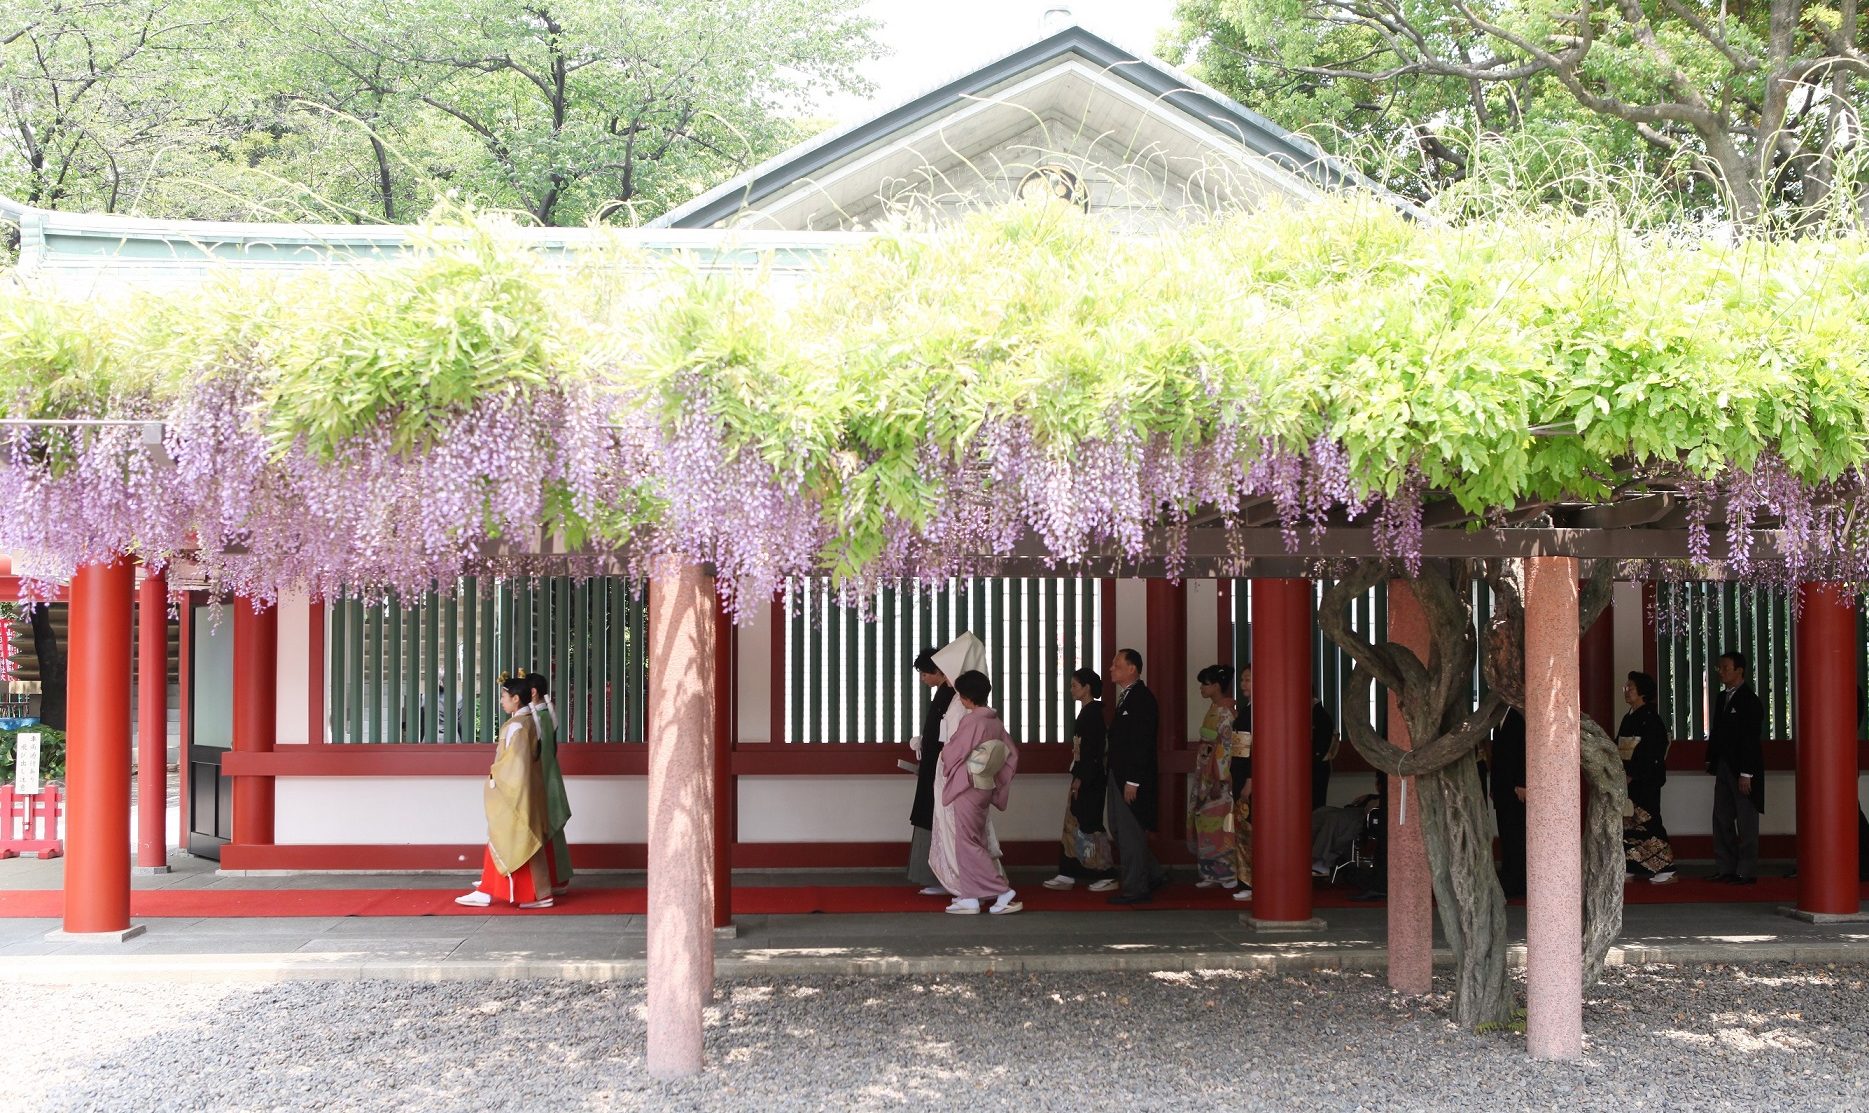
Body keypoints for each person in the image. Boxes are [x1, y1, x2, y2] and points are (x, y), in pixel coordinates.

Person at [456, 674, 553, 909]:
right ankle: (524, 892)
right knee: (518, 841)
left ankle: (493, 891)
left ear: (516, 699)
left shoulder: (517, 726)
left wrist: (494, 779)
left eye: (504, 696)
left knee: (506, 839)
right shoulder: (534, 720)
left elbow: (514, 766)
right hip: (529, 789)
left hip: (514, 792)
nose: (502, 701)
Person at [931, 670, 1022, 915]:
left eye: (960, 694)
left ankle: (1003, 892)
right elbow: (1011, 754)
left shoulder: (973, 721)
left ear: (967, 697)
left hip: (968, 785)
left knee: (968, 842)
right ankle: (971, 896)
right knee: (973, 839)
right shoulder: (993, 720)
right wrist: (995, 774)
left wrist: (944, 755)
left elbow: (953, 752)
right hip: (984, 784)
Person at [926, 631, 990, 896]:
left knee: (959, 831)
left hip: (958, 773)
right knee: (961, 831)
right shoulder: (962, 702)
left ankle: (965, 885)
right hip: (959, 771)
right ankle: (961, 882)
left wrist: (949, 762)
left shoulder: (960, 705)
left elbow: (959, 743)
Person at [1043, 668, 1118, 891]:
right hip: (1084, 776)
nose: (1071, 690)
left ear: (1087, 688)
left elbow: (1093, 753)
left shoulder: (1093, 714)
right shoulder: (1088, 712)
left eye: (1075, 685)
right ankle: (1069, 871)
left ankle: (1106, 872)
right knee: (1074, 822)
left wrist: (1081, 778)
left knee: (1090, 823)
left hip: (1090, 778)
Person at [1105, 647, 1169, 905]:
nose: (1111, 668)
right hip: (1117, 773)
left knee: (1130, 832)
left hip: (1130, 778)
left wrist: (1133, 781)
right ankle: (1152, 872)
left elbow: (1142, 743)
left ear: (1132, 669)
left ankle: (1135, 888)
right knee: (1118, 828)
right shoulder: (1126, 698)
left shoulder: (1142, 698)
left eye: (1117, 664)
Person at [1707, 649, 1765, 885]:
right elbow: (1717, 732)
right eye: (1719, 668)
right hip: (1723, 765)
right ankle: (1726, 866)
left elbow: (1751, 739)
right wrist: (1711, 758)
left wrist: (1746, 773)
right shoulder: (1722, 698)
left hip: (1743, 769)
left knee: (1746, 819)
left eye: (1725, 668)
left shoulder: (1750, 700)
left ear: (1739, 671)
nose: (1721, 672)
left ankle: (1746, 869)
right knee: (1721, 816)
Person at [1617, 671, 1675, 884]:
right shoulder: (1628, 717)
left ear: (1642, 692)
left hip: (1645, 779)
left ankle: (1665, 868)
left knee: (1649, 823)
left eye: (1630, 687)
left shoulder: (1651, 719)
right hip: (1627, 779)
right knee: (1629, 824)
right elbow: (1620, 745)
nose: (1627, 690)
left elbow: (1651, 752)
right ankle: (1633, 866)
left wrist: (1633, 773)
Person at [906, 646, 956, 895]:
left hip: (942, 767)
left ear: (937, 670)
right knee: (931, 816)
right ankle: (937, 876)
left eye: (925, 674)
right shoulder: (943, 693)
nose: (923, 679)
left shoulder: (952, 694)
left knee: (941, 820)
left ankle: (946, 878)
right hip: (933, 764)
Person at [1190, 664, 1240, 890]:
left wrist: (1220, 778)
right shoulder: (1214, 709)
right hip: (1205, 773)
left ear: (1218, 686)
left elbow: (1226, 749)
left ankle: (1227, 872)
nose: (1201, 687)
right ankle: (1210, 871)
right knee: (1205, 821)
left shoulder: (1227, 713)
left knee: (1220, 822)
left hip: (1218, 776)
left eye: (1206, 684)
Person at [527, 670, 573, 896]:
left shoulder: (533, 717)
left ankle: (540, 882)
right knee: (553, 830)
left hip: (540, 778)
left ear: (532, 692)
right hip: (551, 776)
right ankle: (558, 877)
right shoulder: (549, 713)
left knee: (538, 829)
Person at [1489, 708, 1527, 899]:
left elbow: (1523, 750)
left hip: (1515, 788)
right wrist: (1494, 786)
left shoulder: (1518, 716)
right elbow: (1497, 756)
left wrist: (1522, 782)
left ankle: (1518, 881)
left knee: (1516, 833)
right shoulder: (1498, 719)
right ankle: (1509, 877)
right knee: (1506, 833)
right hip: (1502, 788)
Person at [1229, 665, 1255, 902]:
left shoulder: (1258, 713)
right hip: (1239, 775)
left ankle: (1250, 881)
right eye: (1243, 680)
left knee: (1249, 829)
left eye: (1248, 679)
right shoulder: (1247, 711)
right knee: (1243, 828)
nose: (1243, 684)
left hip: (1248, 778)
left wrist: (1250, 779)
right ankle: (1245, 880)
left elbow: (1252, 752)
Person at [1312, 697, 1338, 809]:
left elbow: (1321, 745)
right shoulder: (1318, 715)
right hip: (1319, 763)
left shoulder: (1319, 716)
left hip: (1318, 764)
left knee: (1316, 803)